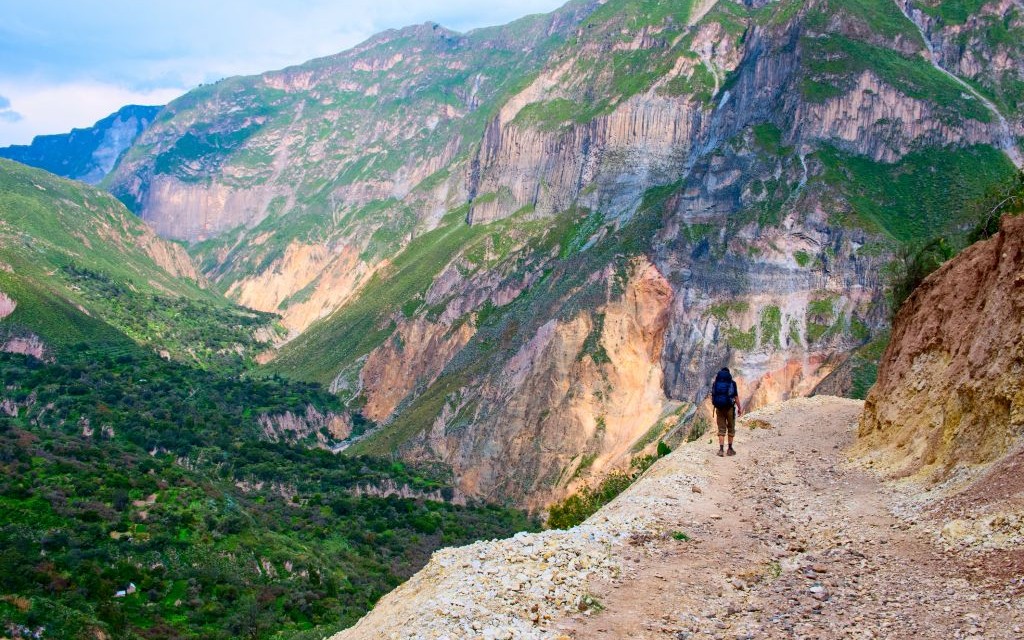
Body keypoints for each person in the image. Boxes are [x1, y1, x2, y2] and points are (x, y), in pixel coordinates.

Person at [710, 367, 742, 456]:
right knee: (731, 428)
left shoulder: (715, 384)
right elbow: (736, 397)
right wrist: (739, 408)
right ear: (728, 374)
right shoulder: (732, 383)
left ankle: (721, 450)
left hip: (719, 408)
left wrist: (717, 404)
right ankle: (730, 449)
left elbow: (713, 396)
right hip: (730, 408)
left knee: (721, 429)